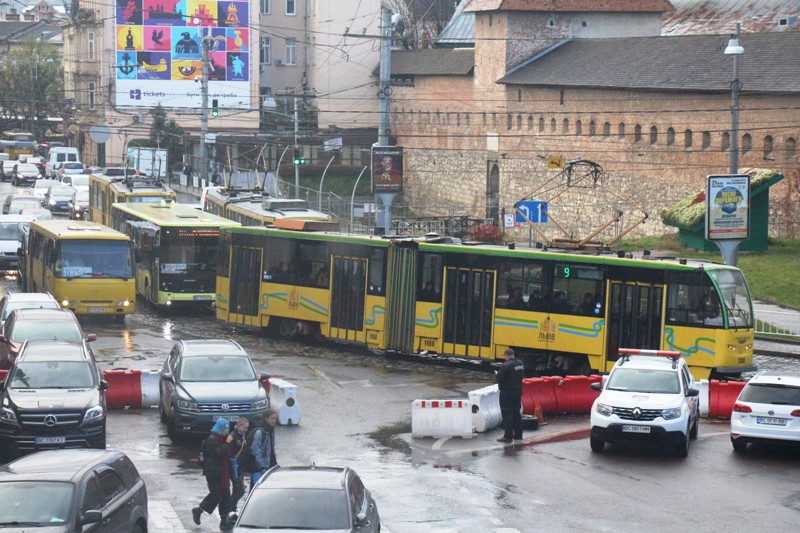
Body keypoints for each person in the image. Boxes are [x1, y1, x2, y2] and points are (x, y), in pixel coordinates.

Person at [192, 419, 235, 530]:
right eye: (225, 428)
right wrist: (227, 443)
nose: (227, 430)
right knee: (216, 495)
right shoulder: (213, 440)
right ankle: (199, 510)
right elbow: (219, 453)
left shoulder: (222, 439)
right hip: (213, 472)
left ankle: (224, 521)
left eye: (228, 428)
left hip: (223, 472)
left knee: (225, 496)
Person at [496, 348, 525, 443]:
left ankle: (508, 436)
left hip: (506, 393)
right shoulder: (520, 363)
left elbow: (499, 378)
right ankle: (518, 435)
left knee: (507, 414)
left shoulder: (505, 365)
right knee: (517, 414)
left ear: (506, 355)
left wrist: (497, 374)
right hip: (517, 392)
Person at [250, 409, 278, 488]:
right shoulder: (260, 432)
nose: (274, 421)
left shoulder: (271, 430)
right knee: (257, 488)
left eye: (275, 418)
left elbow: (271, 448)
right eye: (272, 418)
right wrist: (261, 466)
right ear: (266, 419)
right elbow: (256, 450)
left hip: (270, 464)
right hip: (260, 468)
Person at [229, 418, 250, 510]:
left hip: (239, 467)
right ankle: (230, 506)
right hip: (234, 468)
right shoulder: (233, 437)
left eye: (247, 428)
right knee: (240, 490)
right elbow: (230, 453)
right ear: (238, 426)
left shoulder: (242, 436)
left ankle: (232, 508)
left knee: (237, 489)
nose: (246, 430)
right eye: (244, 428)